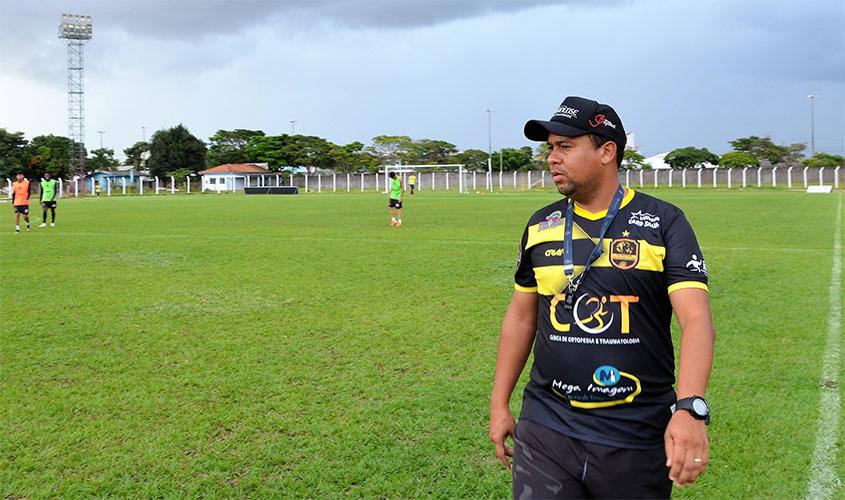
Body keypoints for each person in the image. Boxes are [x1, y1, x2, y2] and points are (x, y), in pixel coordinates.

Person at [489, 96, 715, 499]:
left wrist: (690, 406)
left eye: (565, 146)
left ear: (607, 151)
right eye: (550, 148)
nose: (551, 159)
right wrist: (499, 403)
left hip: (636, 432)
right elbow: (522, 317)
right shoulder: (541, 224)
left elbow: (695, 320)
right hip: (547, 426)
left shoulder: (663, 222)